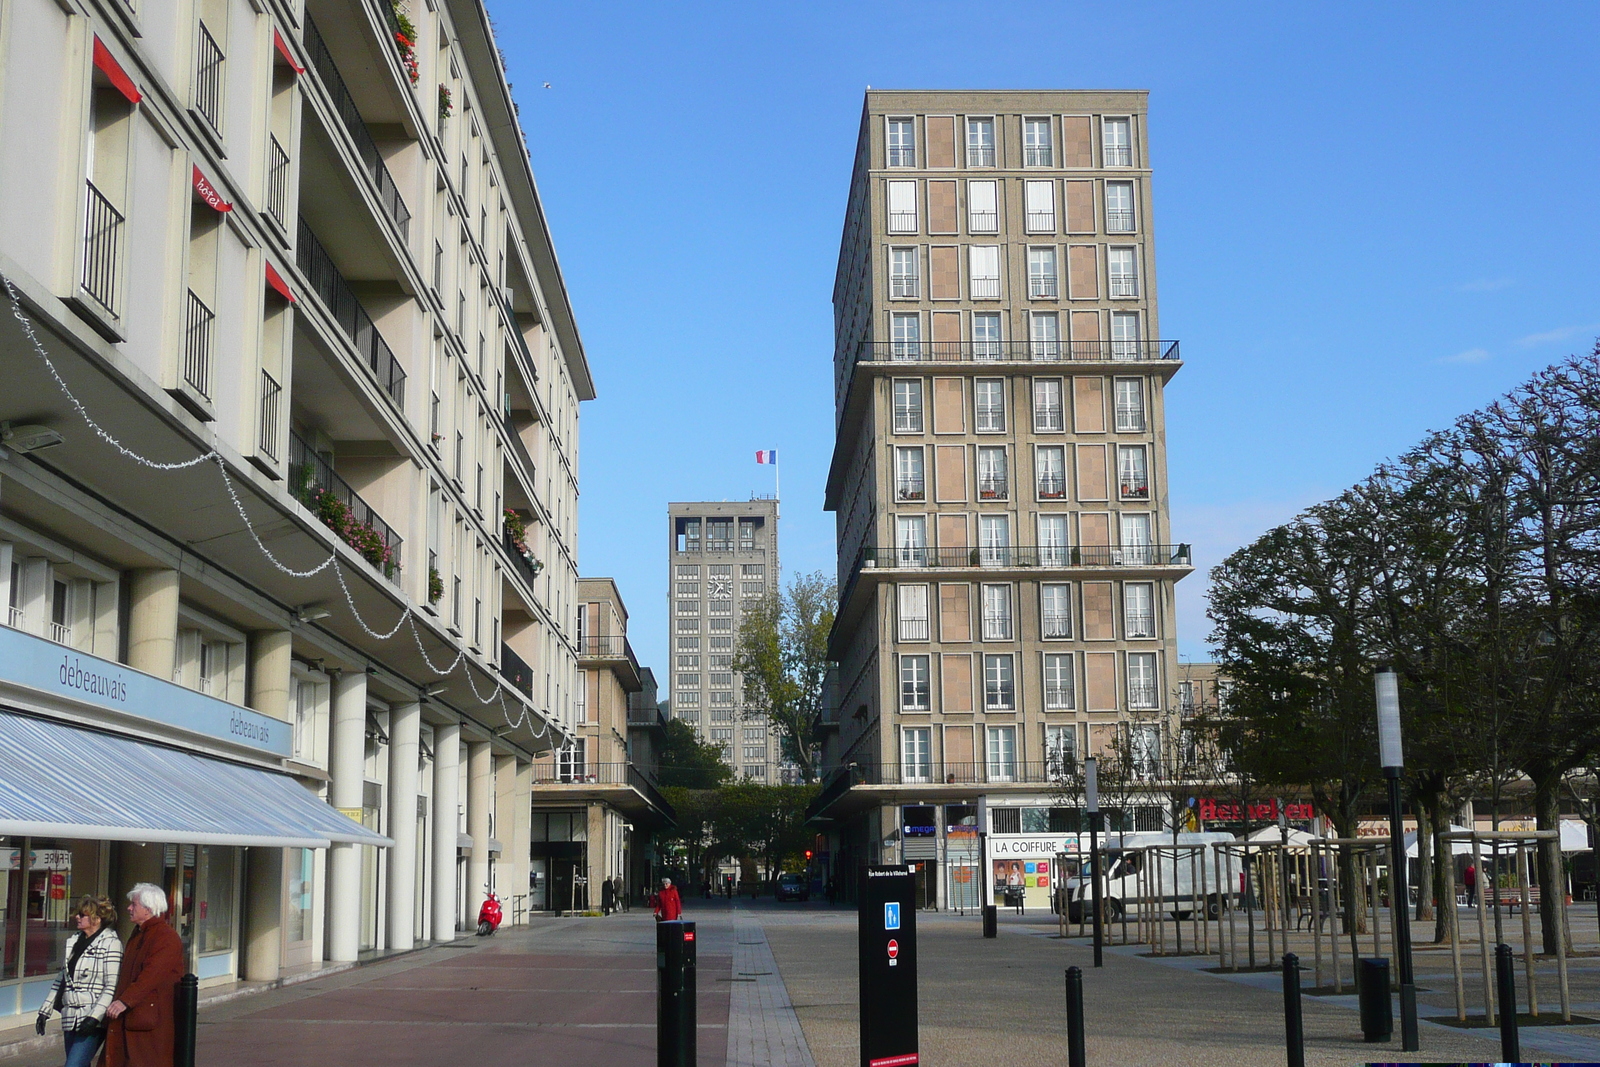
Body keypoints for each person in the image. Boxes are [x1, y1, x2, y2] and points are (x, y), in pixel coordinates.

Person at [104, 884, 185, 1067]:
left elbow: (151, 975)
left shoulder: (165, 937)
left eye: (134, 904)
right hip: (134, 1017)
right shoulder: (139, 934)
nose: (129, 908)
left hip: (149, 1020)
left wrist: (125, 1001)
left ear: (148, 909)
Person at [37, 896, 123, 1067]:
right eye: (78, 914)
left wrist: (94, 1017)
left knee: (74, 1065)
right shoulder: (74, 941)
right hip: (70, 1016)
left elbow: (111, 986)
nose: (77, 917)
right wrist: (44, 1011)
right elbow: (62, 979)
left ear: (97, 919)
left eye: (82, 914)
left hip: (92, 1018)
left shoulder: (111, 943)